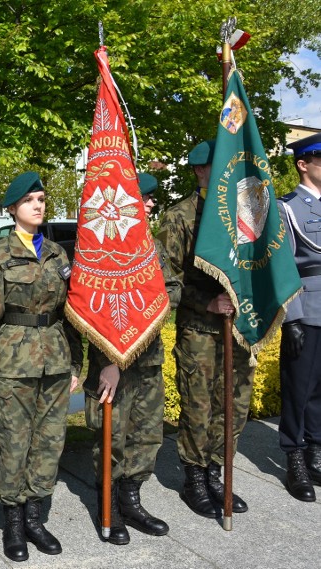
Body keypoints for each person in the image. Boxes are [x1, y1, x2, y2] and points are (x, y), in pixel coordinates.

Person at [0, 172, 80, 562]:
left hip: (54, 359)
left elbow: (69, 313)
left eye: (41, 199)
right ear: (12, 209)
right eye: (30, 200)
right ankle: (14, 522)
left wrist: (75, 362)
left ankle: (36, 517)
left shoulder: (57, 253)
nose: (38, 205)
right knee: (15, 445)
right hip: (13, 361)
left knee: (50, 443)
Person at [156, 140, 254, 518]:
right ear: (199, 170)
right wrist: (206, 301)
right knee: (199, 406)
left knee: (235, 404)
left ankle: (216, 472)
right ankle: (195, 478)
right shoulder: (179, 216)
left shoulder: (243, 215)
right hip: (199, 328)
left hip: (239, 328)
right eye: (218, 166)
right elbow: (169, 281)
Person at [83, 172, 181, 545]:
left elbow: (170, 288)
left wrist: (147, 307)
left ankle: (131, 500)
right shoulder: (99, 246)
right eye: (147, 197)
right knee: (112, 436)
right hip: (111, 364)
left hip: (147, 358)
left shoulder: (150, 246)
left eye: (154, 199)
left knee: (145, 433)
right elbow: (93, 308)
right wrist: (112, 359)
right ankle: (108, 506)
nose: (153, 203)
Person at [277, 132, 321, 502]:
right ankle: (295, 458)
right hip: (307, 308)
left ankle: (316, 451)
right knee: (298, 390)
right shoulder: (286, 207)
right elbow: (285, 267)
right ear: (303, 164)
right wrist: (291, 318)